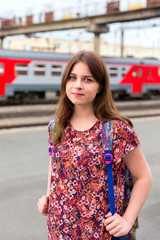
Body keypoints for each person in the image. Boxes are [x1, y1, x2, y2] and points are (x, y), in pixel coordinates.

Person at [37, 50, 152, 240]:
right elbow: (55, 164)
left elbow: (144, 177)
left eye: (88, 79)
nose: (78, 85)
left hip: (100, 232)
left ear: (100, 87)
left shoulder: (116, 130)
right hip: (59, 229)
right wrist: (48, 196)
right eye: (72, 78)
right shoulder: (56, 126)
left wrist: (127, 221)